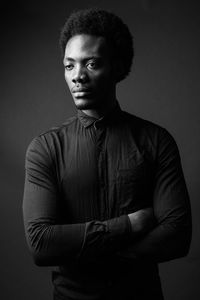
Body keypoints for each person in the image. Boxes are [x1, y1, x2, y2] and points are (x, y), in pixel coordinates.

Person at [22, 8, 192, 300]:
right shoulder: (45, 148)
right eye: (69, 66)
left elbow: (177, 238)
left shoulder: (156, 141)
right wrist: (130, 225)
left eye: (91, 64)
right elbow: (41, 244)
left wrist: (88, 250)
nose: (78, 77)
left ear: (117, 66)